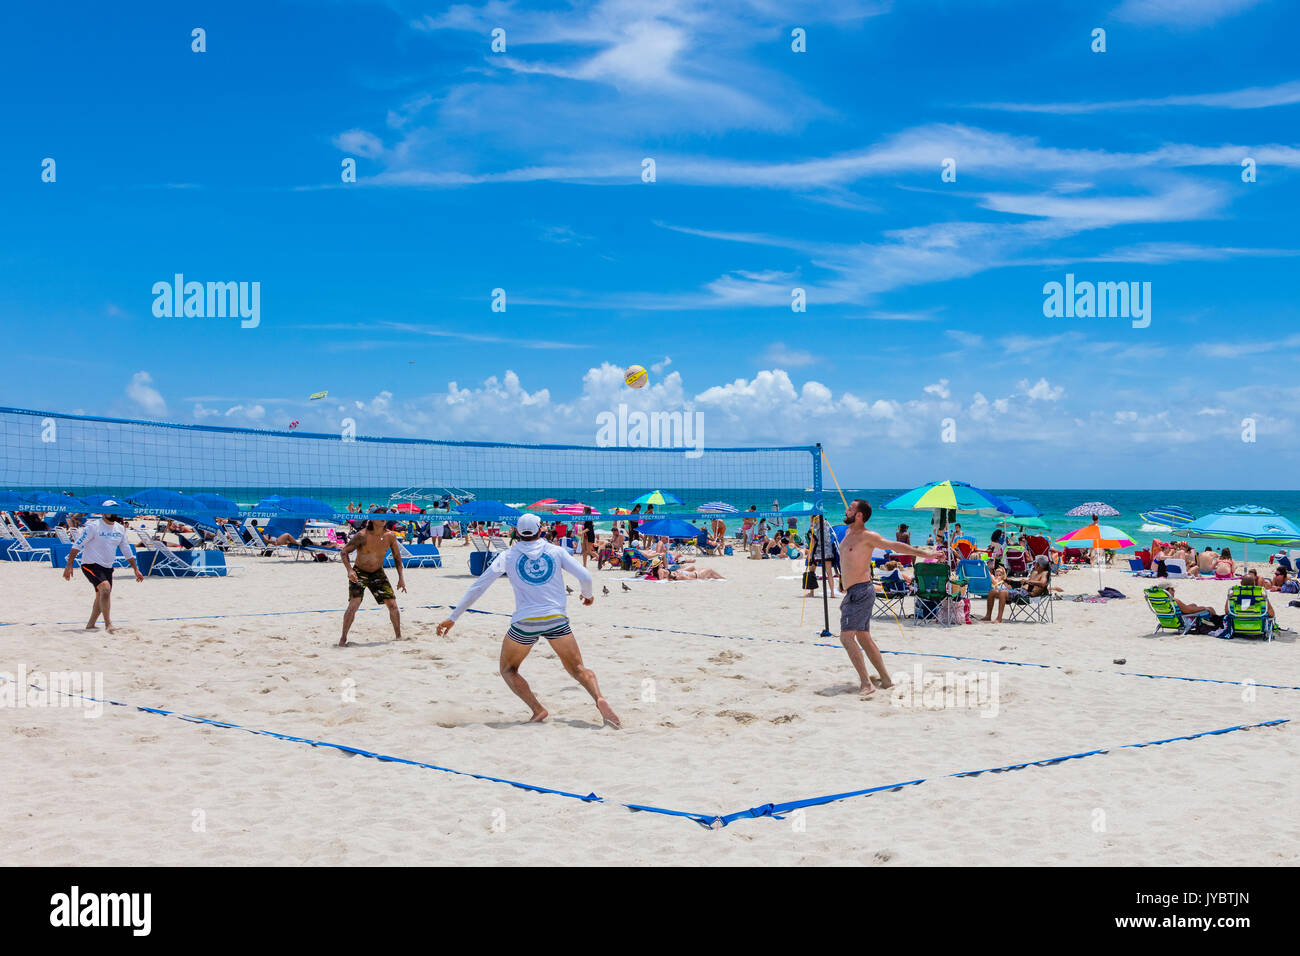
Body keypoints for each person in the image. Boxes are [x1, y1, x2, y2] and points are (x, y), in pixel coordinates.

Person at [436, 513, 619, 728]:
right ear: (541, 530)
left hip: (525, 622)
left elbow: (479, 587)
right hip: (556, 618)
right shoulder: (556, 551)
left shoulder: (508, 555)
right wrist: (587, 595)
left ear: (516, 533)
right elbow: (585, 577)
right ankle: (598, 698)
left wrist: (453, 616)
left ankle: (537, 709)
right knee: (578, 669)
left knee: (508, 669)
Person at [838, 500, 942, 696]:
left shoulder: (868, 536)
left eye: (851, 509)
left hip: (861, 591)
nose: (846, 510)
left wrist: (927, 553)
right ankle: (885, 680)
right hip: (852, 591)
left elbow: (896, 546)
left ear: (859, 515)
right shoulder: (847, 534)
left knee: (846, 637)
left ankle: (866, 684)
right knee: (863, 638)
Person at [61, 502, 144, 633]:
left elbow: (126, 550)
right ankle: (108, 624)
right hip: (90, 564)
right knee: (105, 589)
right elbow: (77, 545)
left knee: (101, 594)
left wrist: (135, 568)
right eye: (111, 510)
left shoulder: (120, 528)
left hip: (107, 566)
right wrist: (69, 565)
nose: (114, 513)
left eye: (116, 510)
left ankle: (90, 625)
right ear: (103, 511)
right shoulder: (93, 527)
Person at [338, 515, 407, 646]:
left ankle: (398, 637)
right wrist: (349, 570)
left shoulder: (390, 536)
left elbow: (397, 557)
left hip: (377, 572)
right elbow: (344, 552)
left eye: (384, 514)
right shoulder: (362, 535)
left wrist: (401, 579)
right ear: (373, 519)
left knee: (393, 605)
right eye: (379, 514)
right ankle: (343, 638)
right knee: (354, 605)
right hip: (359, 572)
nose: (383, 517)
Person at [983, 555, 1052, 623]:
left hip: (1028, 595)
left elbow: (1043, 583)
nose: (1034, 564)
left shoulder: (1044, 573)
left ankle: (999, 618)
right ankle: (988, 616)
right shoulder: (1034, 572)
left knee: (1003, 593)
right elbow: (1027, 584)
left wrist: (1028, 581)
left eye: (1035, 563)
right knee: (992, 592)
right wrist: (1010, 581)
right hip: (1021, 591)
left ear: (1040, 565)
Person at [806, 514, 843, 597]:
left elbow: (813, 540)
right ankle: (832, 593)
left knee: (812, 571)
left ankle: (812, 592)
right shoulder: (826, 523)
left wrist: (809, 553)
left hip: (817, 551)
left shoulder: (814, 524)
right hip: (827, 549)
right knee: (829, 572)